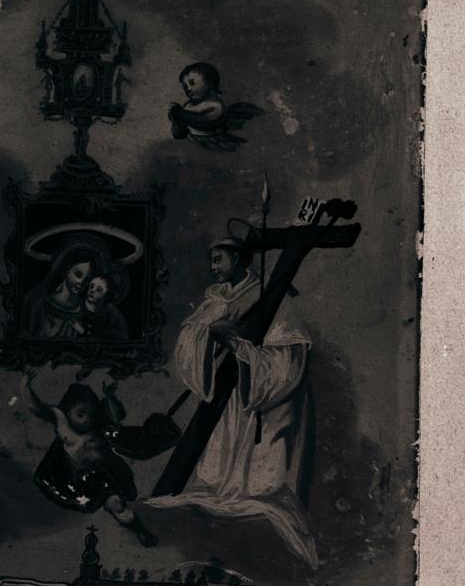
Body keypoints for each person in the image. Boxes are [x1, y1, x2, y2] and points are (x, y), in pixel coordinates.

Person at [146, 239, 318, 568]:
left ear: (238, 258)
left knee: (258, 476)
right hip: (224, 396)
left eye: (218, 259)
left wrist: (244, 352)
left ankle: (251, 505)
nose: (213, 267)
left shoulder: (273, 295)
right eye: (211, 261)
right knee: (216, 460)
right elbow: (189, 341)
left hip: (260, 399)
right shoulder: (216, 299)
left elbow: (288, 357)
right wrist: (211, 332)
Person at [23, 373, 159, 547]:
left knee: (117, 505)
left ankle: (140, 530)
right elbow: (37, 407)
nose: (87, 420)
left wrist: (110, 397)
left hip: (102, 475)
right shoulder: (61, 422)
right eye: (81, 414)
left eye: (90, 415)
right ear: (67, 411)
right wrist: (25, 385)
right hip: (77, 479)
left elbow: (117, 415)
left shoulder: (99, 424)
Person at [168, 62, 263, 152]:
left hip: (211, 142)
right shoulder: (188, 105)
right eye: (185, 86)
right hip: (192, 142)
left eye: (192, 83)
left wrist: (181, 114)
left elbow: (204, 121)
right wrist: (175, 119)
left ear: (210, 83)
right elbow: (179, 133)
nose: (188, 89)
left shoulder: (215, 105)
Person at [21, 242, 103, 339]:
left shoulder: (86, 309)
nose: (81, 282)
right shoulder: (41, 303)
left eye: (87, 279)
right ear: (67, 269)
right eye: (78, 275)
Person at [80, 269, 130, 341]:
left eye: (98, 289)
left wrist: (85, 332)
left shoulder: (113, 315)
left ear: (105, 295)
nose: (92, 290)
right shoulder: (78, 304)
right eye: (92, 286)